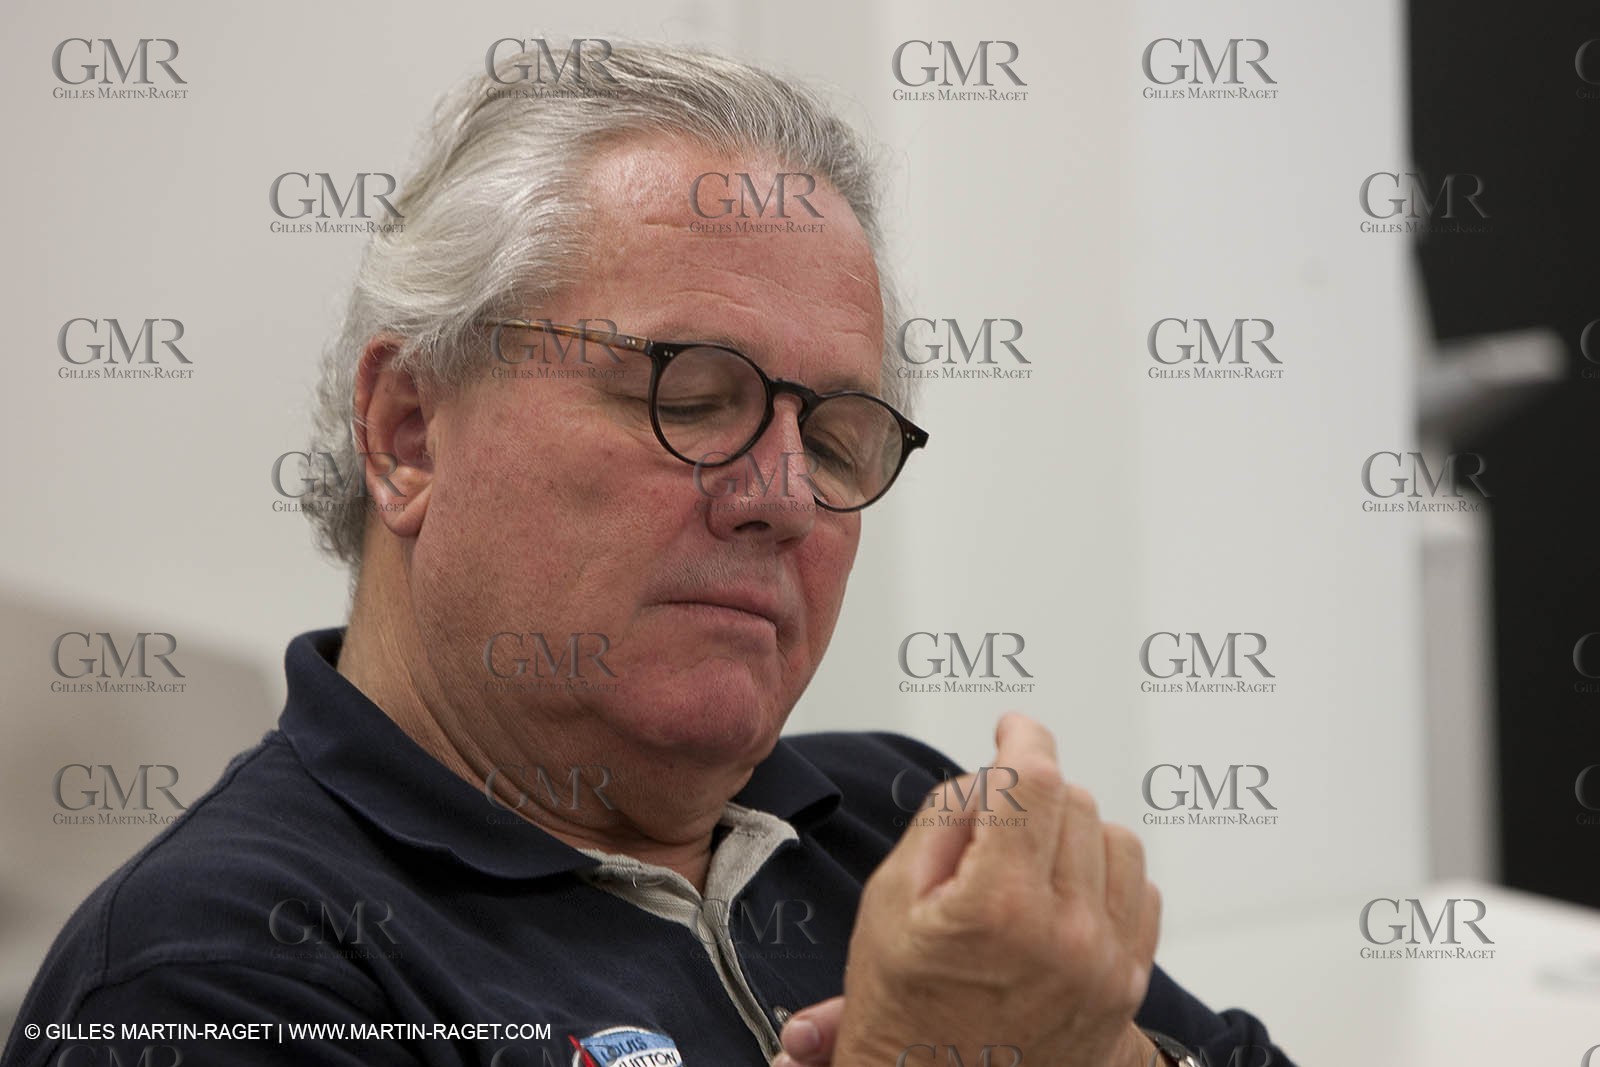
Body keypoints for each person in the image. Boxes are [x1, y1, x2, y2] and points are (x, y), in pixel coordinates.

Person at [2, 42, 1293, 1067]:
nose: (784, 492)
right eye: (696, 390)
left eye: (837, 433)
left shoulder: (904, 828)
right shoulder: (210, 975)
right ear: (408, 434)